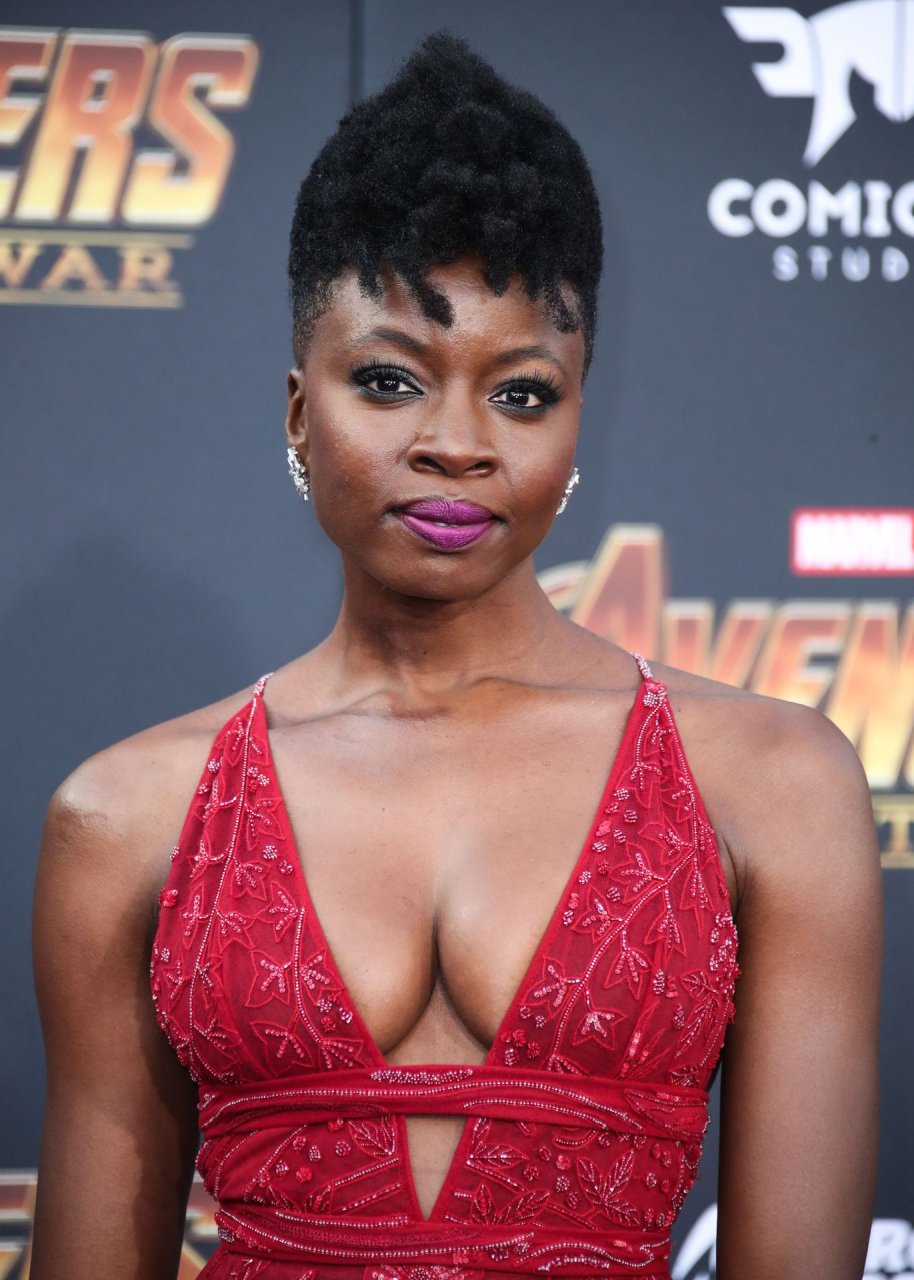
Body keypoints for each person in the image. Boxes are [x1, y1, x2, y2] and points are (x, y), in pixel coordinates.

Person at [30, 31, 882, 1280]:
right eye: (389, 380)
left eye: (520, 391)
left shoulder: (772, 783)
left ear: (579, 415)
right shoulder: (124, 816)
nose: (456, 443)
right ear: (298, 412)